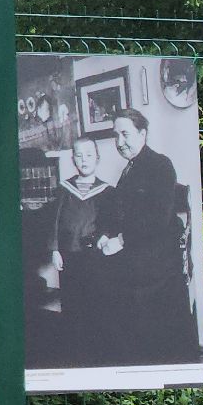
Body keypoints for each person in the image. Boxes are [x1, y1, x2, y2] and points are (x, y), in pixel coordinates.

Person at [94, 109, 197, 363]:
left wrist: (120, 241)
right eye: (115, 135)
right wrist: (104, 235)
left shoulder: (160, 165)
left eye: (125, 134)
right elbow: (120, 213)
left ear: (143, 133)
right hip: (138, 258)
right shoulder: (130, 169)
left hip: (158, 267)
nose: (119, 142)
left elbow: (157, 219)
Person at [51, 137, 111, 330]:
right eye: (79, 155)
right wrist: (54, 250)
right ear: (73, 160)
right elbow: (53, 221)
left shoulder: (107, 191)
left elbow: (110, 222)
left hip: (95, 257)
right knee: (70, 301)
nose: (84, 160)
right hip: (69, 255)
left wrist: (105, 235)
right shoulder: (63, 189)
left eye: (89, 155)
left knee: (95, 302)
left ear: (97, 158)